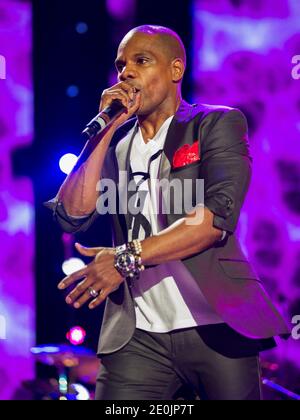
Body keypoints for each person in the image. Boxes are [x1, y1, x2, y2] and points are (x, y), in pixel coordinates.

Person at [46, 25, 290, 400]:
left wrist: (125, 258)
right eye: (121, 64)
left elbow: (213, 221)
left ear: (176, 70)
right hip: (137, 336)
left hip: (215, 325)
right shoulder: (115, 146)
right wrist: (104, 132)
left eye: (141, 61)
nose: (126, 72)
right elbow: (71, 215)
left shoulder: (214, 124)